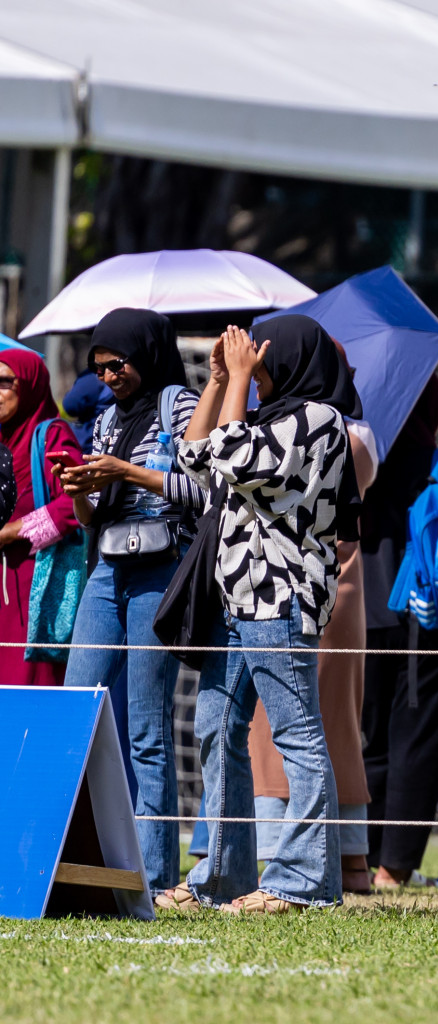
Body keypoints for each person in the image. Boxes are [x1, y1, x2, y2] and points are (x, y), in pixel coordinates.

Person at [160, 316, 360, 913]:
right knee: (216, 727)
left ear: (292, 358)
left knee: (296, 732)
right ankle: (221, 877)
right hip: (234, 598)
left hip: (279, 596)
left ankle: (301, 884)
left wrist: (240, 384)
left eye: (261, 356)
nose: (255, 364)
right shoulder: (260, 413)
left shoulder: (319, 420)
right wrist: (221, 382)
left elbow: (240, 460)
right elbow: (194, 457)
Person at [58, 309, 203, 896]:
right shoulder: (108, 418)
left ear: (145, 353)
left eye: (117, 365)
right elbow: (95, 517)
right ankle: (52, 852)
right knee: (73, 707)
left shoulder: (180, 405)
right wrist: (80, 495)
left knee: (147, 724)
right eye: (98, 369)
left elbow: (199, 489)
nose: (108, 377)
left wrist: (129, 472)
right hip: (108, 567)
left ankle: (158, 874)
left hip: (160, 568)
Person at [247, 412, 378, 895]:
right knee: (332, 724)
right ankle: (350, 861)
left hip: (286, 588)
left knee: (280, 725)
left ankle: (281, 857)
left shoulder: (299, 432)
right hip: (339, 592)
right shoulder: (361, 436)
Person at [359, 375, 438, 889]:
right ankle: (394, 867)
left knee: (368, 739)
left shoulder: (357, 459)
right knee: (421, 739)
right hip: (433, 621)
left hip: (365, 612)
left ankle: (359, 855)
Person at [0, 349, 83, 687]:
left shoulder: (52, 435)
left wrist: (14, 531)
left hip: (36, 585)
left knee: (30, 689)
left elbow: (78, 499)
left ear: (30, 385)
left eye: (5, 382)